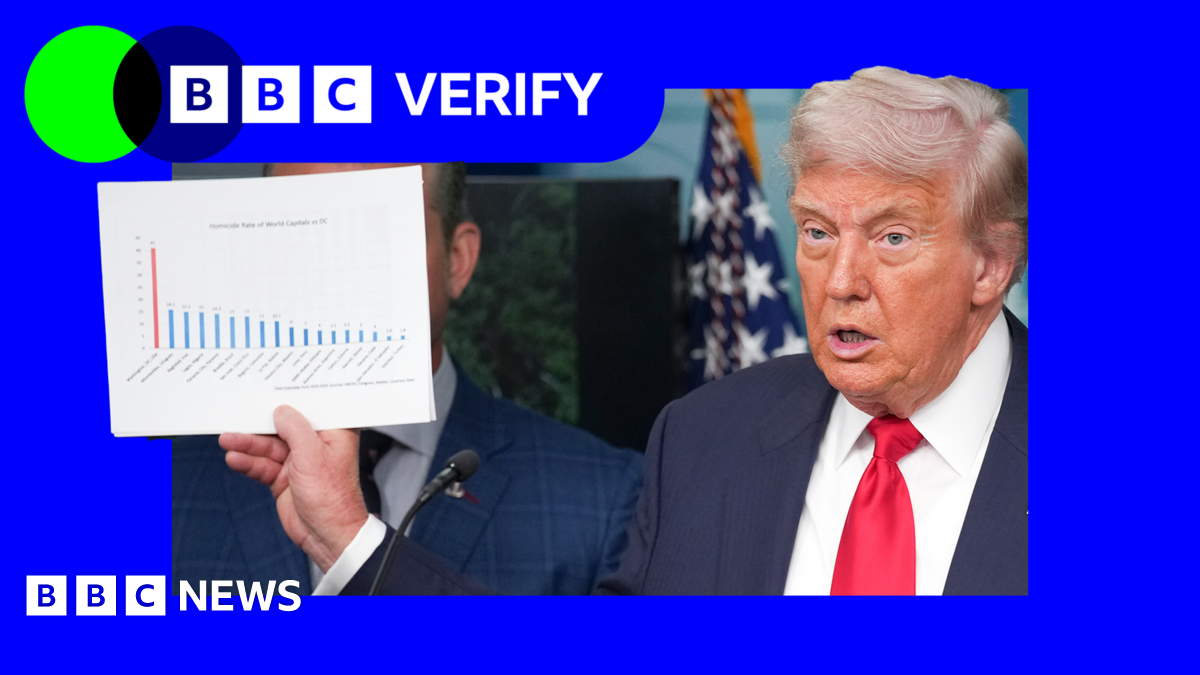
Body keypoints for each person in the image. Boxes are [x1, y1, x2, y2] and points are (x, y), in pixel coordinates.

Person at [225, 65, 1027, 595]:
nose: (843, 280)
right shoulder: (702, 439)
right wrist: (352, 541)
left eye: (891, 238)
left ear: (991, 265)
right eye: (816, 232)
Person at [173, 162, 643, 595]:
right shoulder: (163, 489)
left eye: (375, 233)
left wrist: (354, 548)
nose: (333, 269)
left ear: (458, 260)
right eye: (298, 233)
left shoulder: (602, 500)